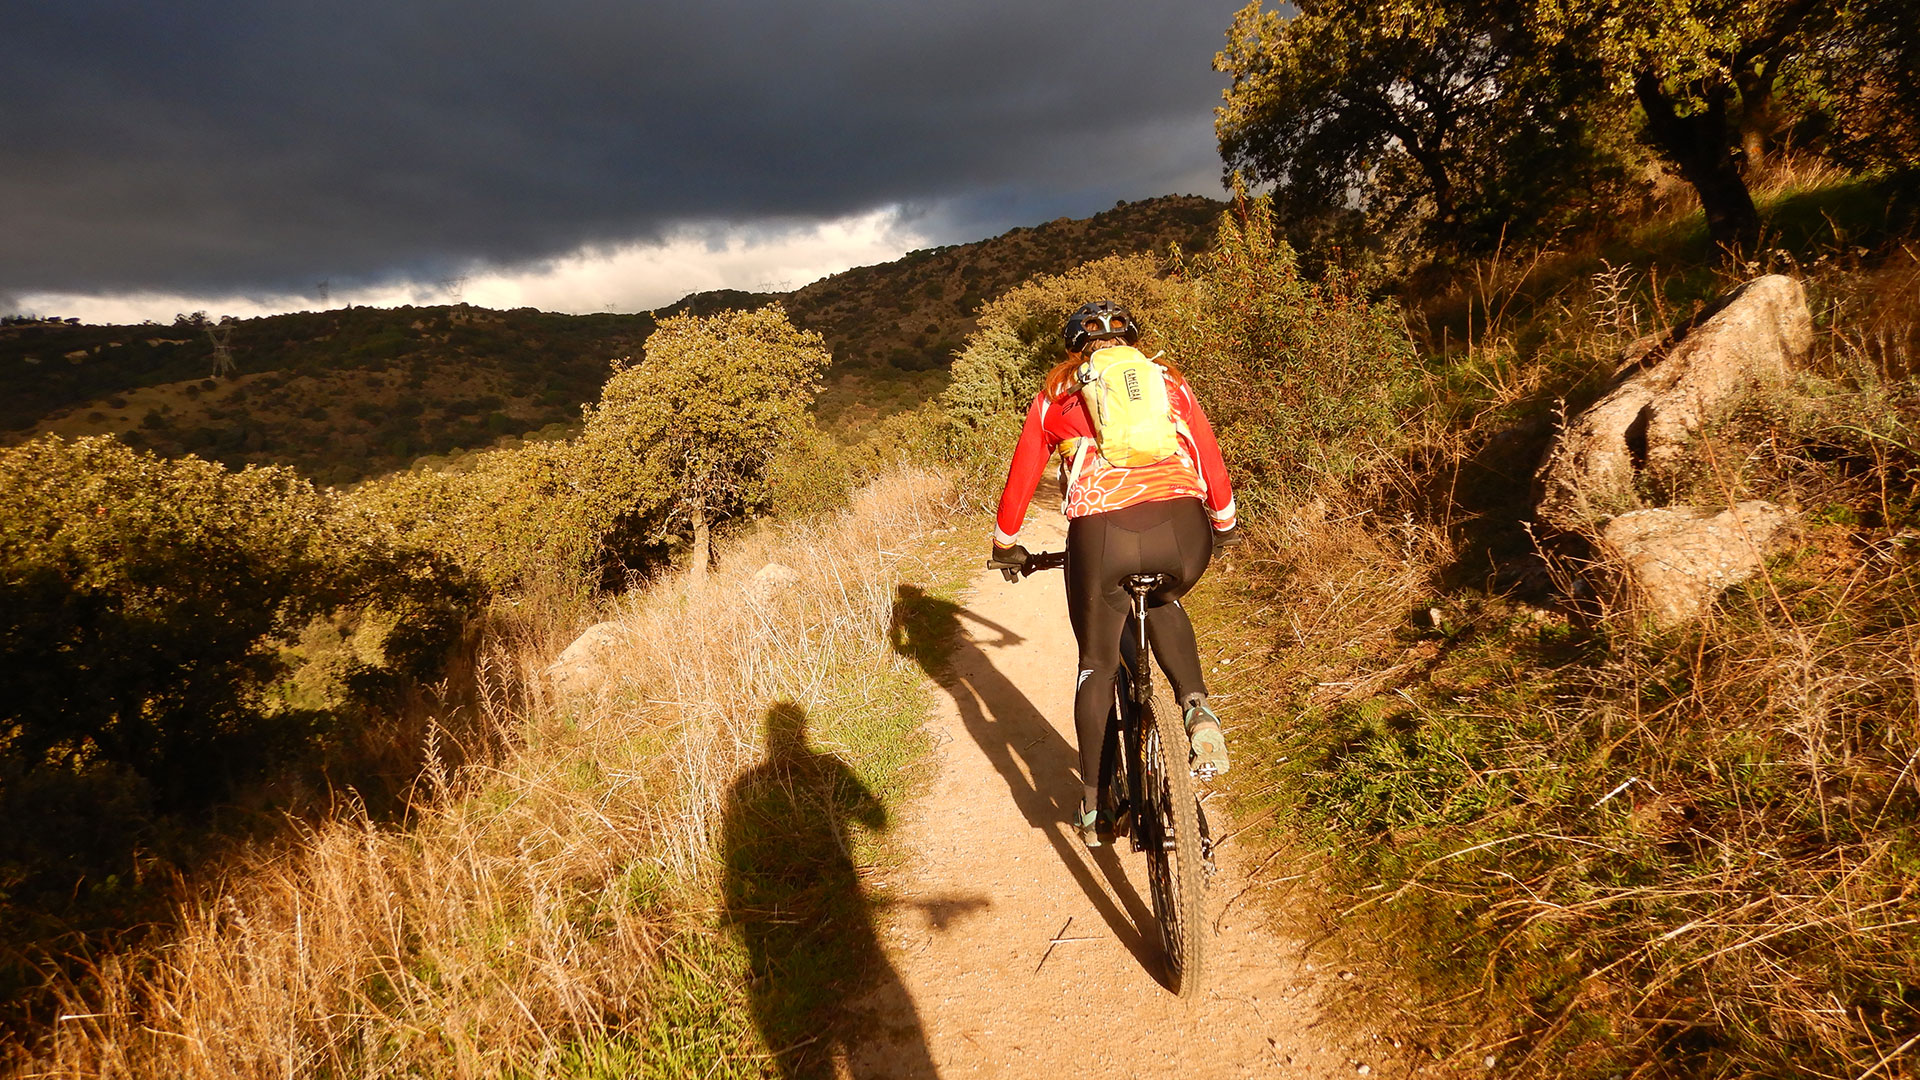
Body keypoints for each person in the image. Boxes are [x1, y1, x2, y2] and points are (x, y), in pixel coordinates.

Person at [987, 300, 1240, 847]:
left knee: (1098, 663)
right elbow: (1208, 455)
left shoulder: (1058, 395)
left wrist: (1007, 544)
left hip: (1104, 539)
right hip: (1184, 533)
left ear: (1075, 348)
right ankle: (1196, 708)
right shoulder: (1167, 382)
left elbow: (1024, 473)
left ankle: (1094, 801)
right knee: (1166, 601)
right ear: (1133, 344)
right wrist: (1222, 523)